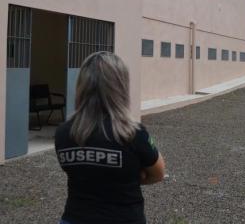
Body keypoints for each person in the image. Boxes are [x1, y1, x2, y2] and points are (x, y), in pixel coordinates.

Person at [55, 51, 165, 224]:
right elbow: (158, 173)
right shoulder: (132, 133)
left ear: (82, 86)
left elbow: (80, 173)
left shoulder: (63, 133)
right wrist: (130, 177)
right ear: (120, 86)